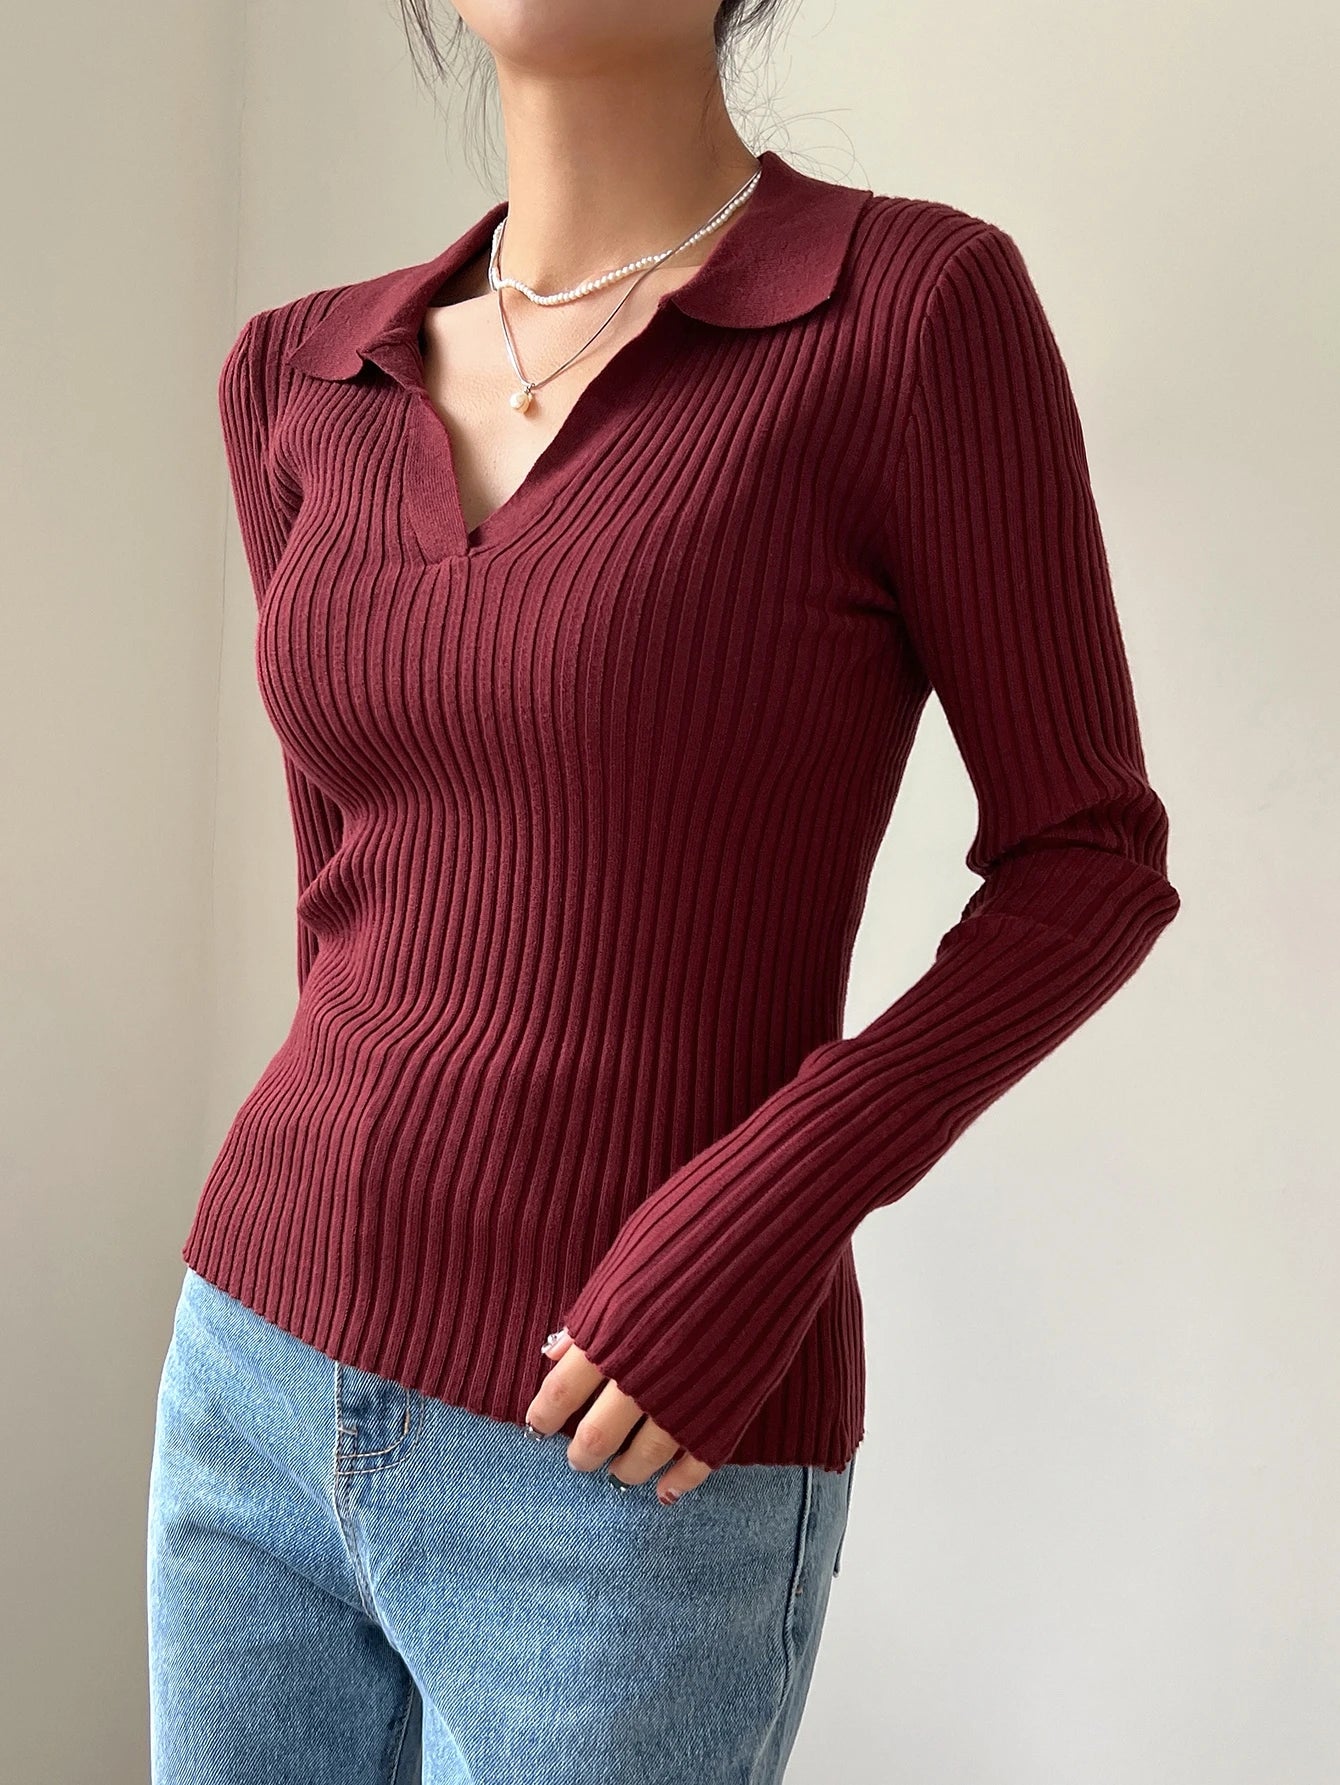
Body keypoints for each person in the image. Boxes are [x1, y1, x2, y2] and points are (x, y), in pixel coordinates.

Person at [146, 2, 1182, 1780]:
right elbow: (352, 895)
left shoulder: (909, 314)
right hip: (253, 1360)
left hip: (625, 1448)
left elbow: (1089, 857)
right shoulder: (296, 376)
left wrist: (758, 1226)